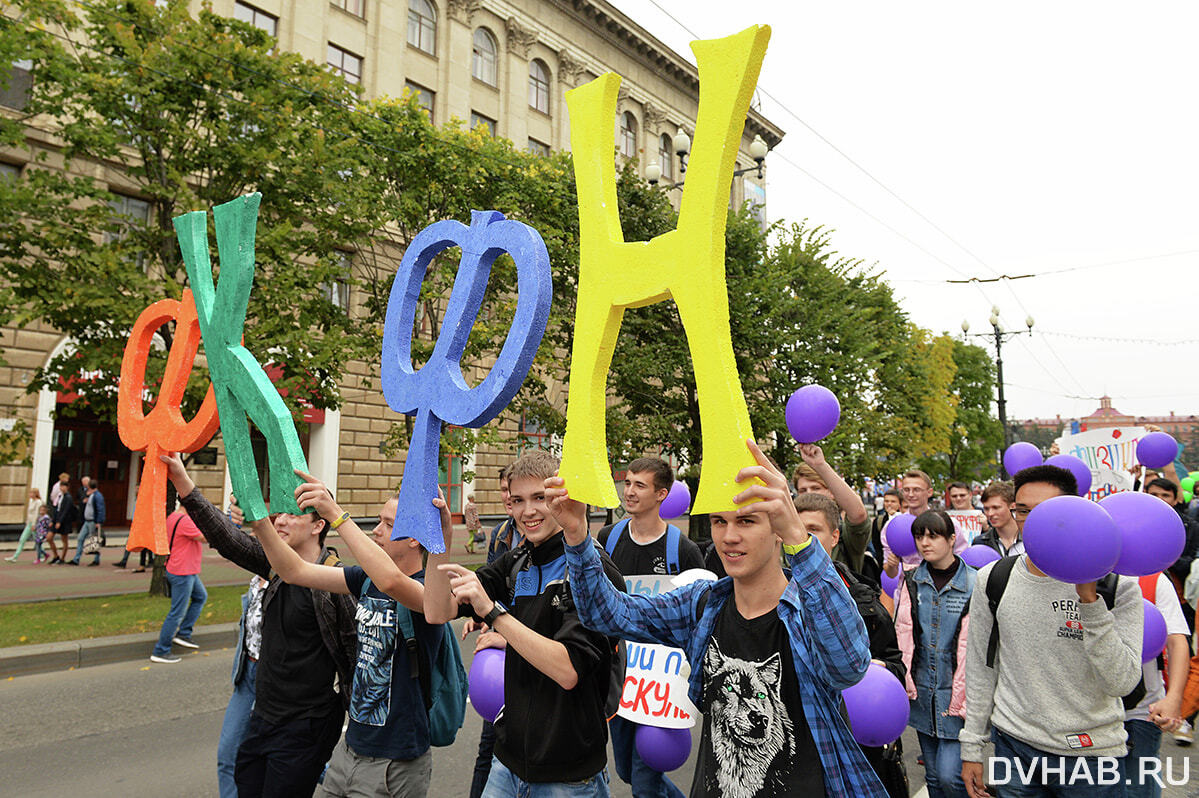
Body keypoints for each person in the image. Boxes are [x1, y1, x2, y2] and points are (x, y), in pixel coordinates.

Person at [548, 438, 887, 797]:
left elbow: (849, 666)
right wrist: (576, 534)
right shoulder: (702, 605)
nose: (729, 536)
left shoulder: (812, 609)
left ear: (777, 527)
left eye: (746, 520)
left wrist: (799, 540)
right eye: (718, 521)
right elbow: (608, 615)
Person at [425, 449, 625, 798]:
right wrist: (440, 539)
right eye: (517, 500)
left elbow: (567, 670)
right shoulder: (518, 561)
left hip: (569, 777)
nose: (527, 511)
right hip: (508, 763)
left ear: (562, 499)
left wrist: (493, 613)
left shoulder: (596, 572)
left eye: (539, 498)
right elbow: (437, 612)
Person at [160, 452, 357, 798]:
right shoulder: (276, 567)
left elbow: (355, 654)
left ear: (317, 525)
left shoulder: (334, 583)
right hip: (263, 718)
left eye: (292, 514)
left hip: (305, 727)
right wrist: (182, 482)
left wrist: (354, 720)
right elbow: (227, 538)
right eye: (278, 513)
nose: (280, 521)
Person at [960, 464, 1143, 798]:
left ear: (1074, 510)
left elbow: (1122, 682)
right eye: (1023, 510)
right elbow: (981, 667)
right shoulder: (994, 578)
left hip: (1091, 756)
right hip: (1013, 745)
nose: (1031, 521)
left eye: (1045, 511)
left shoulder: (1118, 585)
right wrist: (972, 746)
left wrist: (1089, 601)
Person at [265, 475, 450, 798]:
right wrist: (259, 523)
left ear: (413, 539)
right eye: (378, 521)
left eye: (388, 524)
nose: (377, 530)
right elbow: (295, 571)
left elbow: (393, 581)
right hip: (350, 749)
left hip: (395, 762)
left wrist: (335, 513)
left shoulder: (430, 592)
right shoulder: (366, 579)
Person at [596, 457, 703, 798]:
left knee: (644, 782)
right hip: (621, 676)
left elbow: (698, 616)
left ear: (661, 494)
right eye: (627, 483)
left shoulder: (682, 550)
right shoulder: (607, 540)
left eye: (639, 485)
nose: (628, 491)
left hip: (663, 684)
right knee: (628, 771)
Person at [798, 492, 908, 797]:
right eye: (796, 531)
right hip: (798, 745)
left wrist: (877, 669)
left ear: (834, 536)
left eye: (813, 531)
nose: (803, 540)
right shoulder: (770, 595)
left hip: (855, 744)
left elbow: (896, 664)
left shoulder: (864, 598)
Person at [894, 510, 976, 798]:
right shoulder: (911, 581)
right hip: (922, 692)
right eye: (919, 537)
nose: (925, 543)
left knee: (950, 776)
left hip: (958, 694)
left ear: (952, 538)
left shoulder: (975, 583)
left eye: (933, 535)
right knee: (932, 776)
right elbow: (901, 633)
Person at [467, 463, 517, 798]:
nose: (510, 500)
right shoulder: (501, 535)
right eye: (507, 492)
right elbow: (490, 587)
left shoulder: (569, 550)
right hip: (501, 664)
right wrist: (480, 615)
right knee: (491, 744)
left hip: (532, 660)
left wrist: (503, 629)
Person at [1120, 570, 1189, 797]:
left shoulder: (1152, 579)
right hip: (1085, 713)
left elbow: (1177, 640)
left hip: (1141, 712)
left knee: (1138, 787)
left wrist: (1174, 698)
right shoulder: (1074, 573)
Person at [792, 443, 872, 574]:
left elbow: (858, 515)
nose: (809, 493)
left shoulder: (846, 536)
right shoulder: (788, 530)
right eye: (803, 490)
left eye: (816, 488)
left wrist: (820, 466)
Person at [150, 505, 208, 663]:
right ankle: (161, 650)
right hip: (183, 571)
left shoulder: (173, 517)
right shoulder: (186, 521)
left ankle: (184, 633)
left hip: (181, 568)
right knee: (176, 613)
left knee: (200, 597)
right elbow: (204, 537)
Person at [883, 470, 968, 577]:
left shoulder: (949, 523)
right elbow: (891, 574)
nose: (910, 494)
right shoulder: (892, 526)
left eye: (916, 490)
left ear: (929, 492)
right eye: (906, 490)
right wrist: (892, 565)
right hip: (909, 590)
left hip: (944, 587)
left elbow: (962, 560)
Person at [975, 482, 1023, 557]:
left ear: (1013, 506)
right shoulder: (980, 542)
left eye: (996, 508)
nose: (990, 513)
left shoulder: (1031, 539)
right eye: (986, 509)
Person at [69, 479, 106, 566]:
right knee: (80, 538)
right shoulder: (92, 495)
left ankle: (96, 559)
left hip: (93, 521)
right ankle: (76, 558)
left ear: (90, 486)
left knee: (94, 540)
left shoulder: (98, 496)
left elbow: (100, 509)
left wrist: (99, 521)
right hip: (87, 521)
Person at [5, 488, 42, 562]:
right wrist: (27, 523)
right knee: (22, 539)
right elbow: (29, 514)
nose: (30, 494)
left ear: (35, 494)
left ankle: (42, 555)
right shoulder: (31, 501)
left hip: (34, 524)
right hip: (29, 523)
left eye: (31, 493)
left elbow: (36, 514)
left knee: (37, 541)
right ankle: (15, 557)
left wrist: (34, 525)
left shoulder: (38, 502)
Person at [870, 488, 902, 562]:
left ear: (899, 504)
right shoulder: (879, 521)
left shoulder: (905, 520)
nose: (889, 504)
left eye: (893, 501)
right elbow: (876, 544)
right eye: (887, 501)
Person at [48, 473, 73, 564]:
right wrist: (53, 520)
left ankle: (62, 558)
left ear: (67, 488)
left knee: (64, 539)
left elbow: (65, 511)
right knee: (49, 537)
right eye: (61, 487)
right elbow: (56, 508)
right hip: (57, 519)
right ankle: (55, 555)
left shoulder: (68, 498)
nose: (62, 488)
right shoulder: (59, 496)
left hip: (64, 521)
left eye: (64, 487)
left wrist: (59, 521)